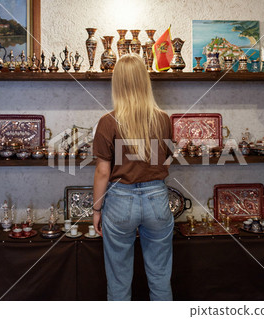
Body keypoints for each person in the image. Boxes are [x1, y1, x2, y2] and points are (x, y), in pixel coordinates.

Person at [92, 54, 174, 301]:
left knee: (118, 281)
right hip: (157, 198)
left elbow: (102, 172)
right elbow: (167, 158)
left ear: (117, 83)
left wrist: (96, 210)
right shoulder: (163, 119)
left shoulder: (108, 122)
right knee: (160, 278)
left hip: (119, 201)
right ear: (144, 82)